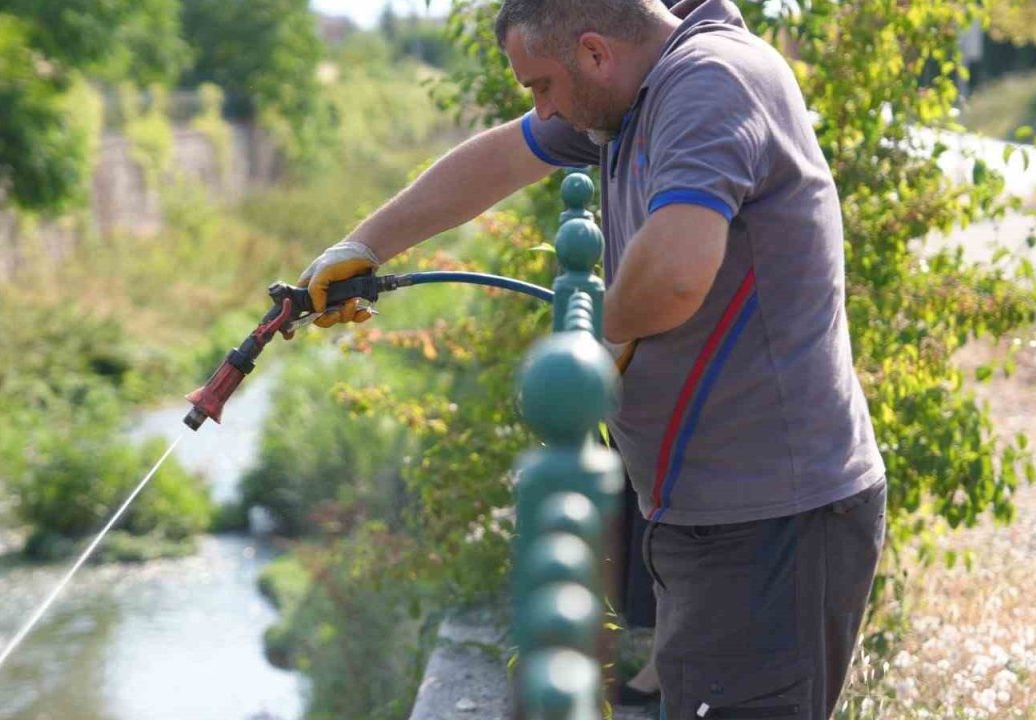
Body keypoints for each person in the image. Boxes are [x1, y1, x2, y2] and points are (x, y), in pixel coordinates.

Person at [297, 1, 887, 717]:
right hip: (717, 507)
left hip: (773, 519)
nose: (542, 107)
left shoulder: (710, 83)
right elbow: (504, 156)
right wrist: (362, 247)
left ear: (595, 53)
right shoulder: (633, 93)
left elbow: (674, 274)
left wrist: (585, 345)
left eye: (541, 85)